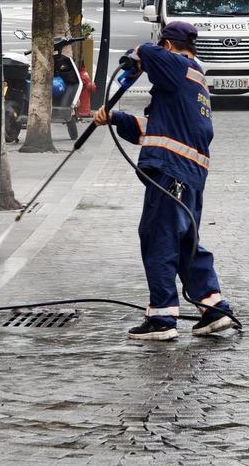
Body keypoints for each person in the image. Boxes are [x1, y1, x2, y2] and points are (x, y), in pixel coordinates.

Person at [93, 21, 240, 341]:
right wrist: (114, 118)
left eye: (163, 48)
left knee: (158, 236)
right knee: (185, 243)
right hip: (189, 176)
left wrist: (136, 56)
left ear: (170, 46)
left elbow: (147, 51)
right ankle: (214, 309)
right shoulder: (190, 83)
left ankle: (162, 318)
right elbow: (155, 130)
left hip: (172, 173)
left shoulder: (178, 66)